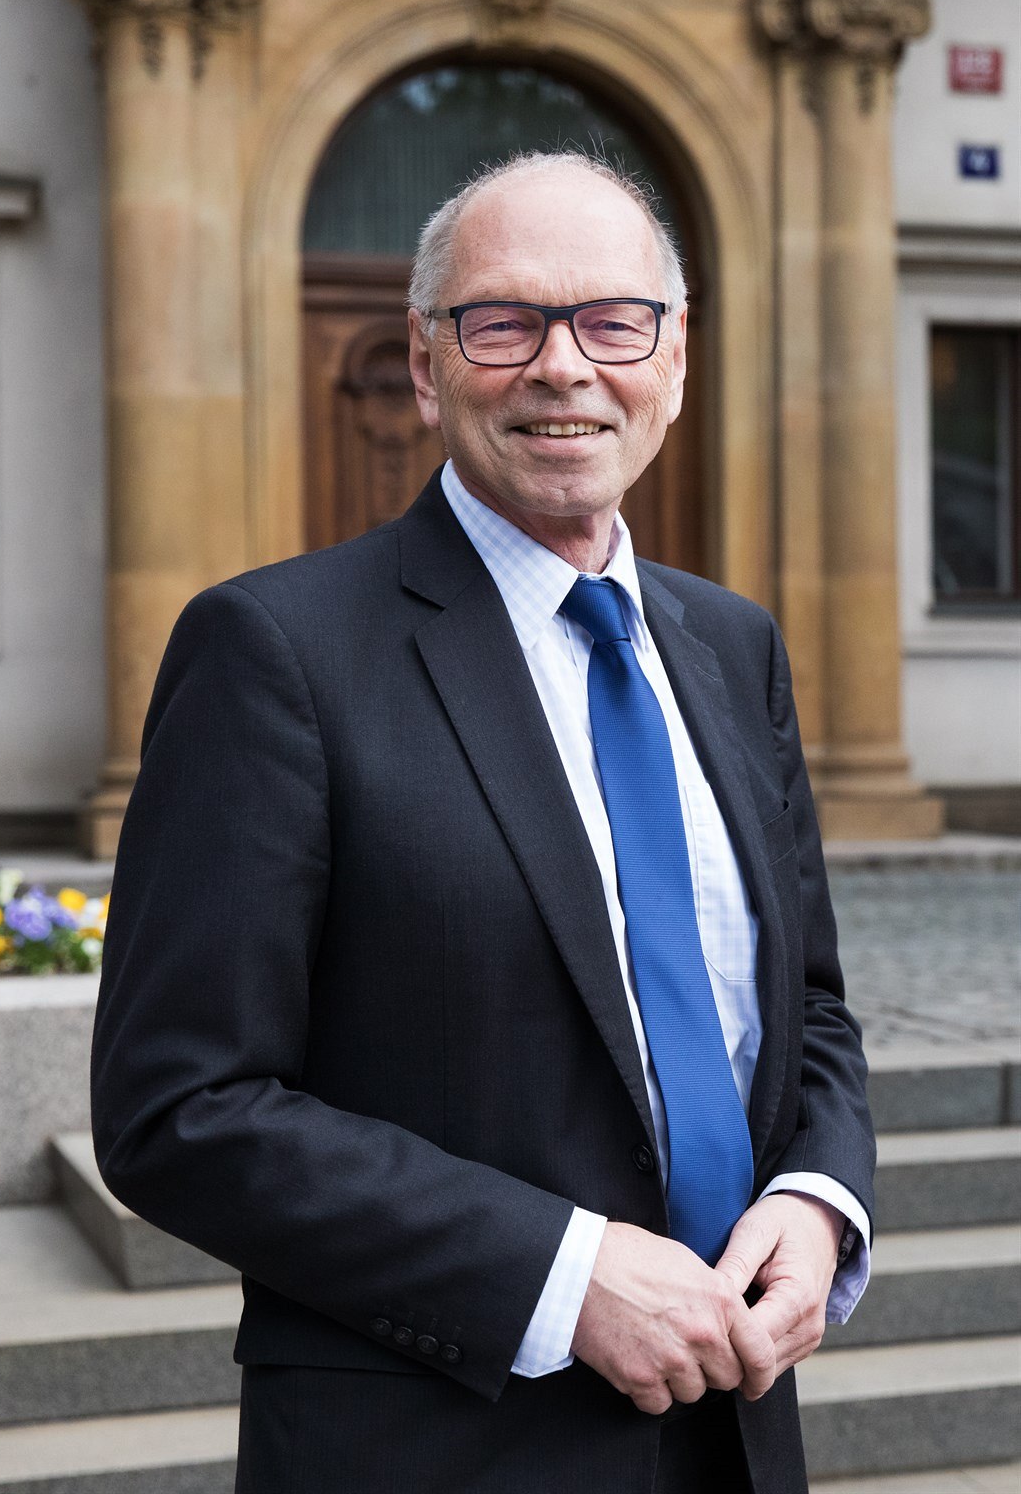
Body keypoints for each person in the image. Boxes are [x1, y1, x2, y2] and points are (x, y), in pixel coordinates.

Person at [91, 152, 876, 1494]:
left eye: (614, 321)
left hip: (737, 1435)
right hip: (437, 1446)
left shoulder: (734, 646)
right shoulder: (273, 652)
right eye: (504, 322)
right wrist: (562, 1278)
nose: (564, 367)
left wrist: (819, 1200)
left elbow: (808, 1011)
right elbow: (181, 1107)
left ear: (675, 359)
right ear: (424, 363)